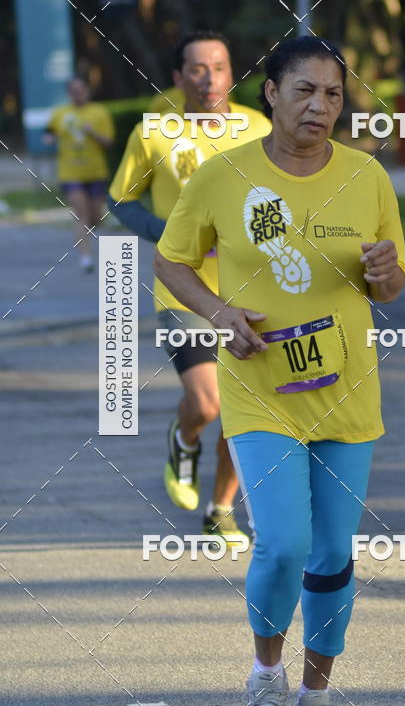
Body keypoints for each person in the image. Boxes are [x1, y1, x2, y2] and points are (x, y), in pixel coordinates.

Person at [154, 36, 405, 706]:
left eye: (332, 93)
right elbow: (171, 260)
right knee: (284, 544)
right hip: (260, 387)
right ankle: (266, 683)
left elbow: (387, 285)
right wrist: (219, 314)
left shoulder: (367, 178)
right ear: (270, 93)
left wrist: (388, 274)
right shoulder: (224, 175)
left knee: (332, 551)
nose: (319, 106)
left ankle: (316, 701)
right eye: (304, 90)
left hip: (347, 394)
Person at [108, 31, 271, 541]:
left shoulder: (258, 127)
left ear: (232, 72)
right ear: (178, 77)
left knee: (246, 412)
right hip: (183, 289)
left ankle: (219, 508)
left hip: (254, 291)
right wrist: (172, 234)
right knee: (207, 404)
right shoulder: (155, 131)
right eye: (197, 69)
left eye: (219, 67)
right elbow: (120, 201)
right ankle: (184, 436)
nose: (210, 79)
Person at [45, 77, 114, 272]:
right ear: (69, 93)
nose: (78, 94)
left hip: (95, 172)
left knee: (96, 217)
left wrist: (92, 133)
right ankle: (86, 258)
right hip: (70, 172)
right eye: (73, 91)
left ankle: (85, 233)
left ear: (87, 91)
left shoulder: (99, 112)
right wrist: (50, 137)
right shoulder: (60, 114)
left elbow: (108, 142)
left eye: (81, 90)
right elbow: (48, 132)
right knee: (81, 214)